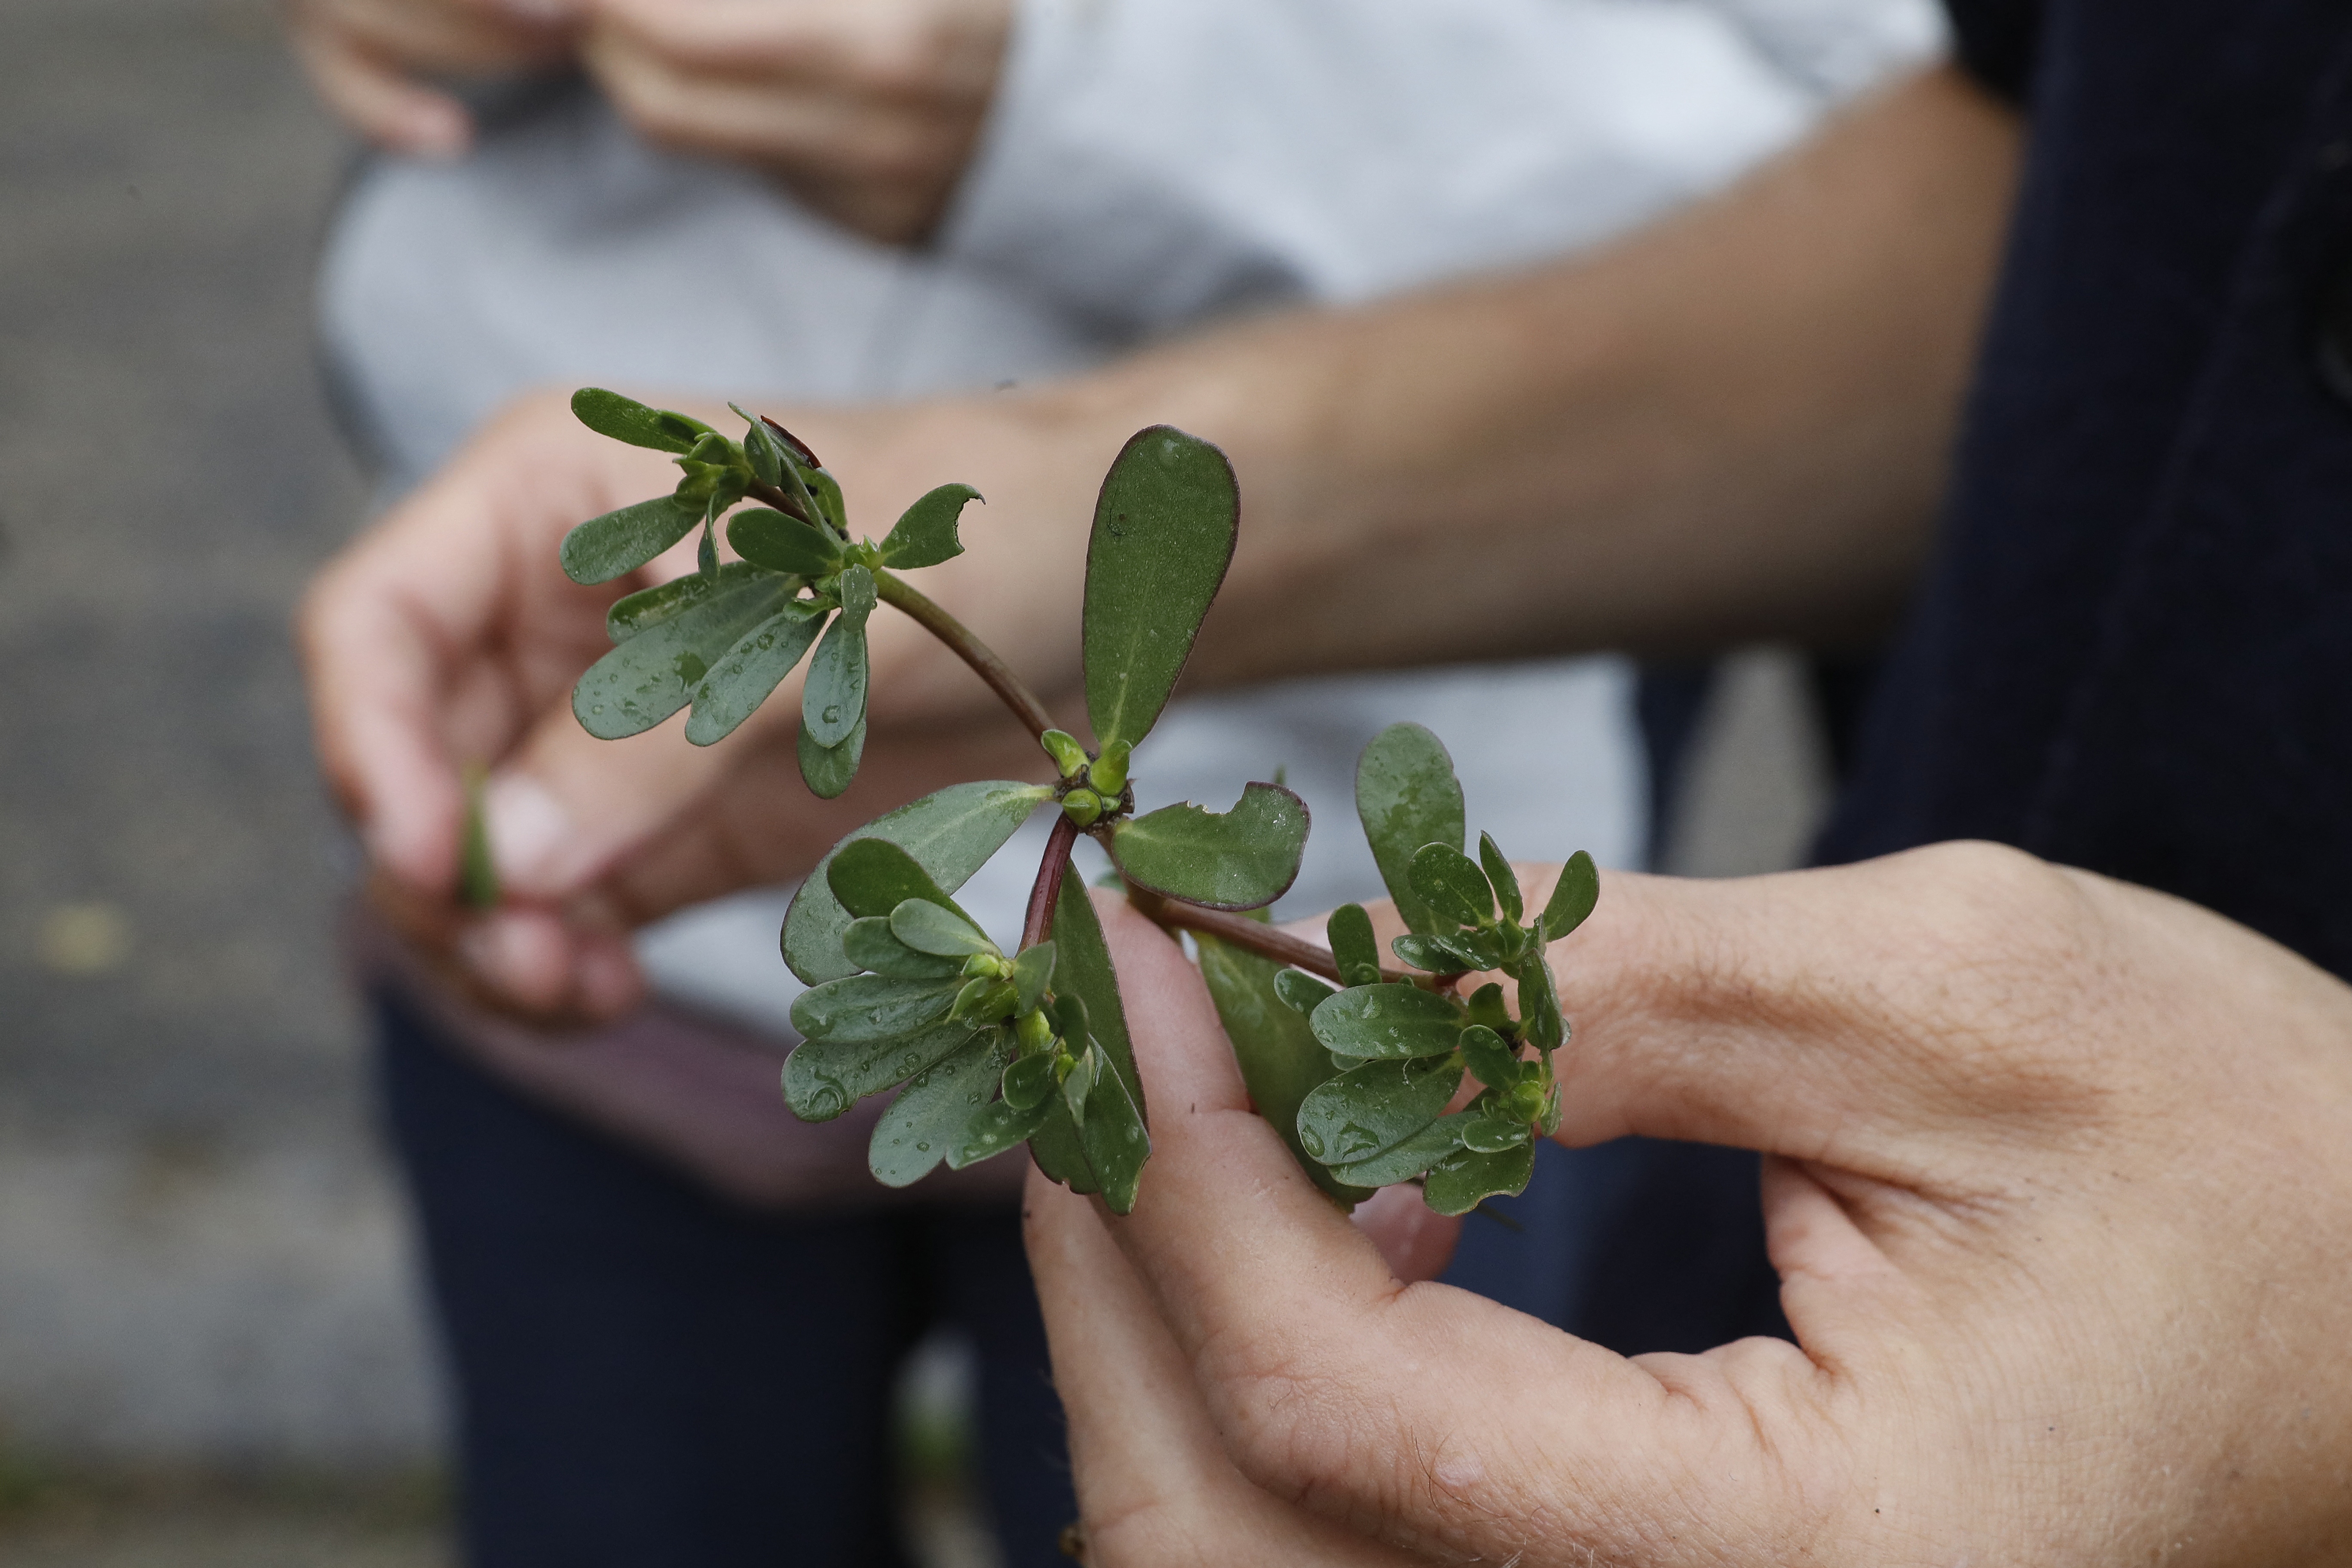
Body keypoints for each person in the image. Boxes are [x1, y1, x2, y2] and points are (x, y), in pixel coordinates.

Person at [299, 0, 2352, 1555]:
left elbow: (1880, 126)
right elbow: (2109, 197)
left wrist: (1071, 103)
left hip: (1399, 968)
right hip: (612, 885)